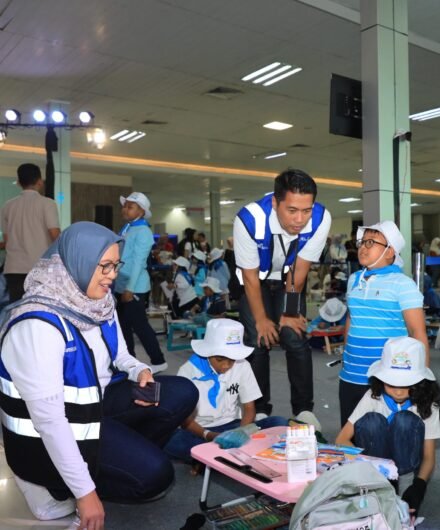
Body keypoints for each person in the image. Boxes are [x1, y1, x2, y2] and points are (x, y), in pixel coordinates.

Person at [0, 222, 198, 529]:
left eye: (116, 265)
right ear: (77, 261)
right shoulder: (38, 325)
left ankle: (117, 461)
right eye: (104, 265)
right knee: (156, 475)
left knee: (183, 392)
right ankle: (61, 487)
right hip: (50, 435)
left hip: (95, 406)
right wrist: (85, 494)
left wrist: (139, 370)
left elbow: (120, 355)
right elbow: (49, 421)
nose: (113, 275)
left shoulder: (99, 303)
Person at [234, 169, 331, 428]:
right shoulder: (249, 219)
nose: (300, 219)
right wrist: (262, 320)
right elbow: (250, 277)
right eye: (292, 210)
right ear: (276, 203)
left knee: (294, 335)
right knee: (257, 338)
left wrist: (288, 313)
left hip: (289, 279)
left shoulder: (320, 218)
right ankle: (259, 409)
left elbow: (300, 269)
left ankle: (304, 409)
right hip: (256, 281)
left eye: (306, 210)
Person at [336, 336, 440, 517]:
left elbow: (429, 456)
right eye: (391, 383)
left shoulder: (428, 405)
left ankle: (403, 485)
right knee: (372, 421)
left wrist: (419, 485)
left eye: (406, 384)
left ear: (420, 383)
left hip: (407, 465)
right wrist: (365, 466)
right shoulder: (373, 396)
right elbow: (342, 439)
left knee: (405, 420)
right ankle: (379, 484)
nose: (399, 391)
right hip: (375, 467)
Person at [163, 319, 286, 467]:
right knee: (167, 441)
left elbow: (249, 407)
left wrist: (240, 433)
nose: (226, 365)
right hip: (199, 431)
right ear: (208, 352)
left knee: (278, 423)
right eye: (220, 359)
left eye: (231, 360)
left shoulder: (242, 365)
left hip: (233, 425)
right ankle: (224, 457)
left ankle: (209, 459)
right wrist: (208, 435)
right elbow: (185, 420)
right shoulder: (187, 371)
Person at [340, 220, 428, 426]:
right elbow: (351, 318)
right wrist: (345, 353)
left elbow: (417, 332)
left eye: (371, 242)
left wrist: (422, 378)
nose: (363, 247)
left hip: (389, 375)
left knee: (383, 431)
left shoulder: (403, 284)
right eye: (362, 242)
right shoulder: (354, 279)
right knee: (350, 431)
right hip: (351, 373)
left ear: (390, 252)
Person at [115, 192, 168, 373]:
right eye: (125, 206)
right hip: (122, 283)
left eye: (130, 207)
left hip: (134, 286)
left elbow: (138, 262)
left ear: (141, 211)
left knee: (140, 326)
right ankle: (128, 361)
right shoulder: (128, 227)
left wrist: (130, 289)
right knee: (123, 326)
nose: (125, 209)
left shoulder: (143, 231)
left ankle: (158, 361)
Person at [1, 163, 60, 301]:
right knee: (40, 305)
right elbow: (55, 235)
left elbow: (7, 239)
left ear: (19, 183)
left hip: (14, 268)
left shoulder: (8, 206)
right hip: (40, 267)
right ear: (40, 181)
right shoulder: (48, 204)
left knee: (18, 307)